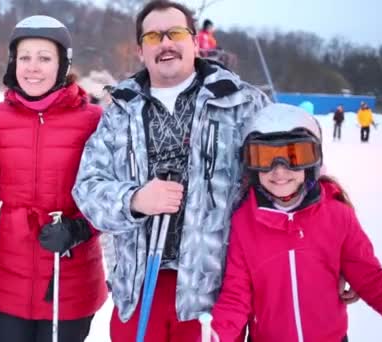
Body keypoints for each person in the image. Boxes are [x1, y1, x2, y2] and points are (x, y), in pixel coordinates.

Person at [72, 1, 270, 341]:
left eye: (175, 33)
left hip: (213, 293)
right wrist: (134, 200)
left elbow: (291, 181)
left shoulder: (242, 103)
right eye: (153, 36)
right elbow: (87, 189)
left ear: (195, 42)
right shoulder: (120, 111)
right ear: (140, 50)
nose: (165, 43)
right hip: (140, 290)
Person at [0, 15, 107, 342]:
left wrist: (79, 228)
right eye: (24, 58)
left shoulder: (93, 119)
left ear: (62, 64)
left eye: (44, 58)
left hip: (68, 271)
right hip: (11, 270)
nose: (32, 67)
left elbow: (110, 196)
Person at [211, 103, 382, 342]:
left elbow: (371, 279)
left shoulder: (337, 215)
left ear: (313, 160)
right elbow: (235, 296)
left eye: (294, 156)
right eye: (265, 158)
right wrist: (215, 337)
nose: (279, 172)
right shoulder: (244, 223)